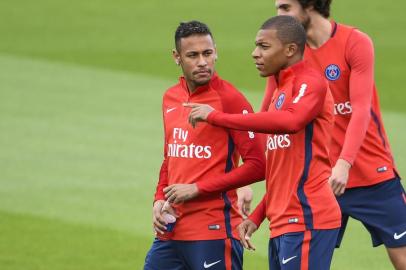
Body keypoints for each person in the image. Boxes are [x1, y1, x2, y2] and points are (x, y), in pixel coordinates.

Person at [180, 15, 342, 270]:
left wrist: (217, 117)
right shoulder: (280, 92)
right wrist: (256, 217)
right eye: (256, 46)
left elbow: (292, 121)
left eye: (264, 47)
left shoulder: (310, 82)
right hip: (283, 224)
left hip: (309, 217)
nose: (255, 53)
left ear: (290, 50)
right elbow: (282, 175)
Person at [258, 0, 406, 268]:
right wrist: (251, 176)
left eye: (284, 8)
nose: (278, 15)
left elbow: (361, 109)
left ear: (310, 5)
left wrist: (344, 161)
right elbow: (267, 115)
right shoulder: (287, 52)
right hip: (316, 181)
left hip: (371, 172)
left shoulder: (355, 42)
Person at [143, 20, 266, 270]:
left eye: (207, 53)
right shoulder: (171, 98)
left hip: (213, 232)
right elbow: (171, 157)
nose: (202, 62)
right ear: (176, 57)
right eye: (193, 55)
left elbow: (258, 165)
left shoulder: (230, 99)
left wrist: (197, 188)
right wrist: (158, 199)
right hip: (170, 231)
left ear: (216, 52)